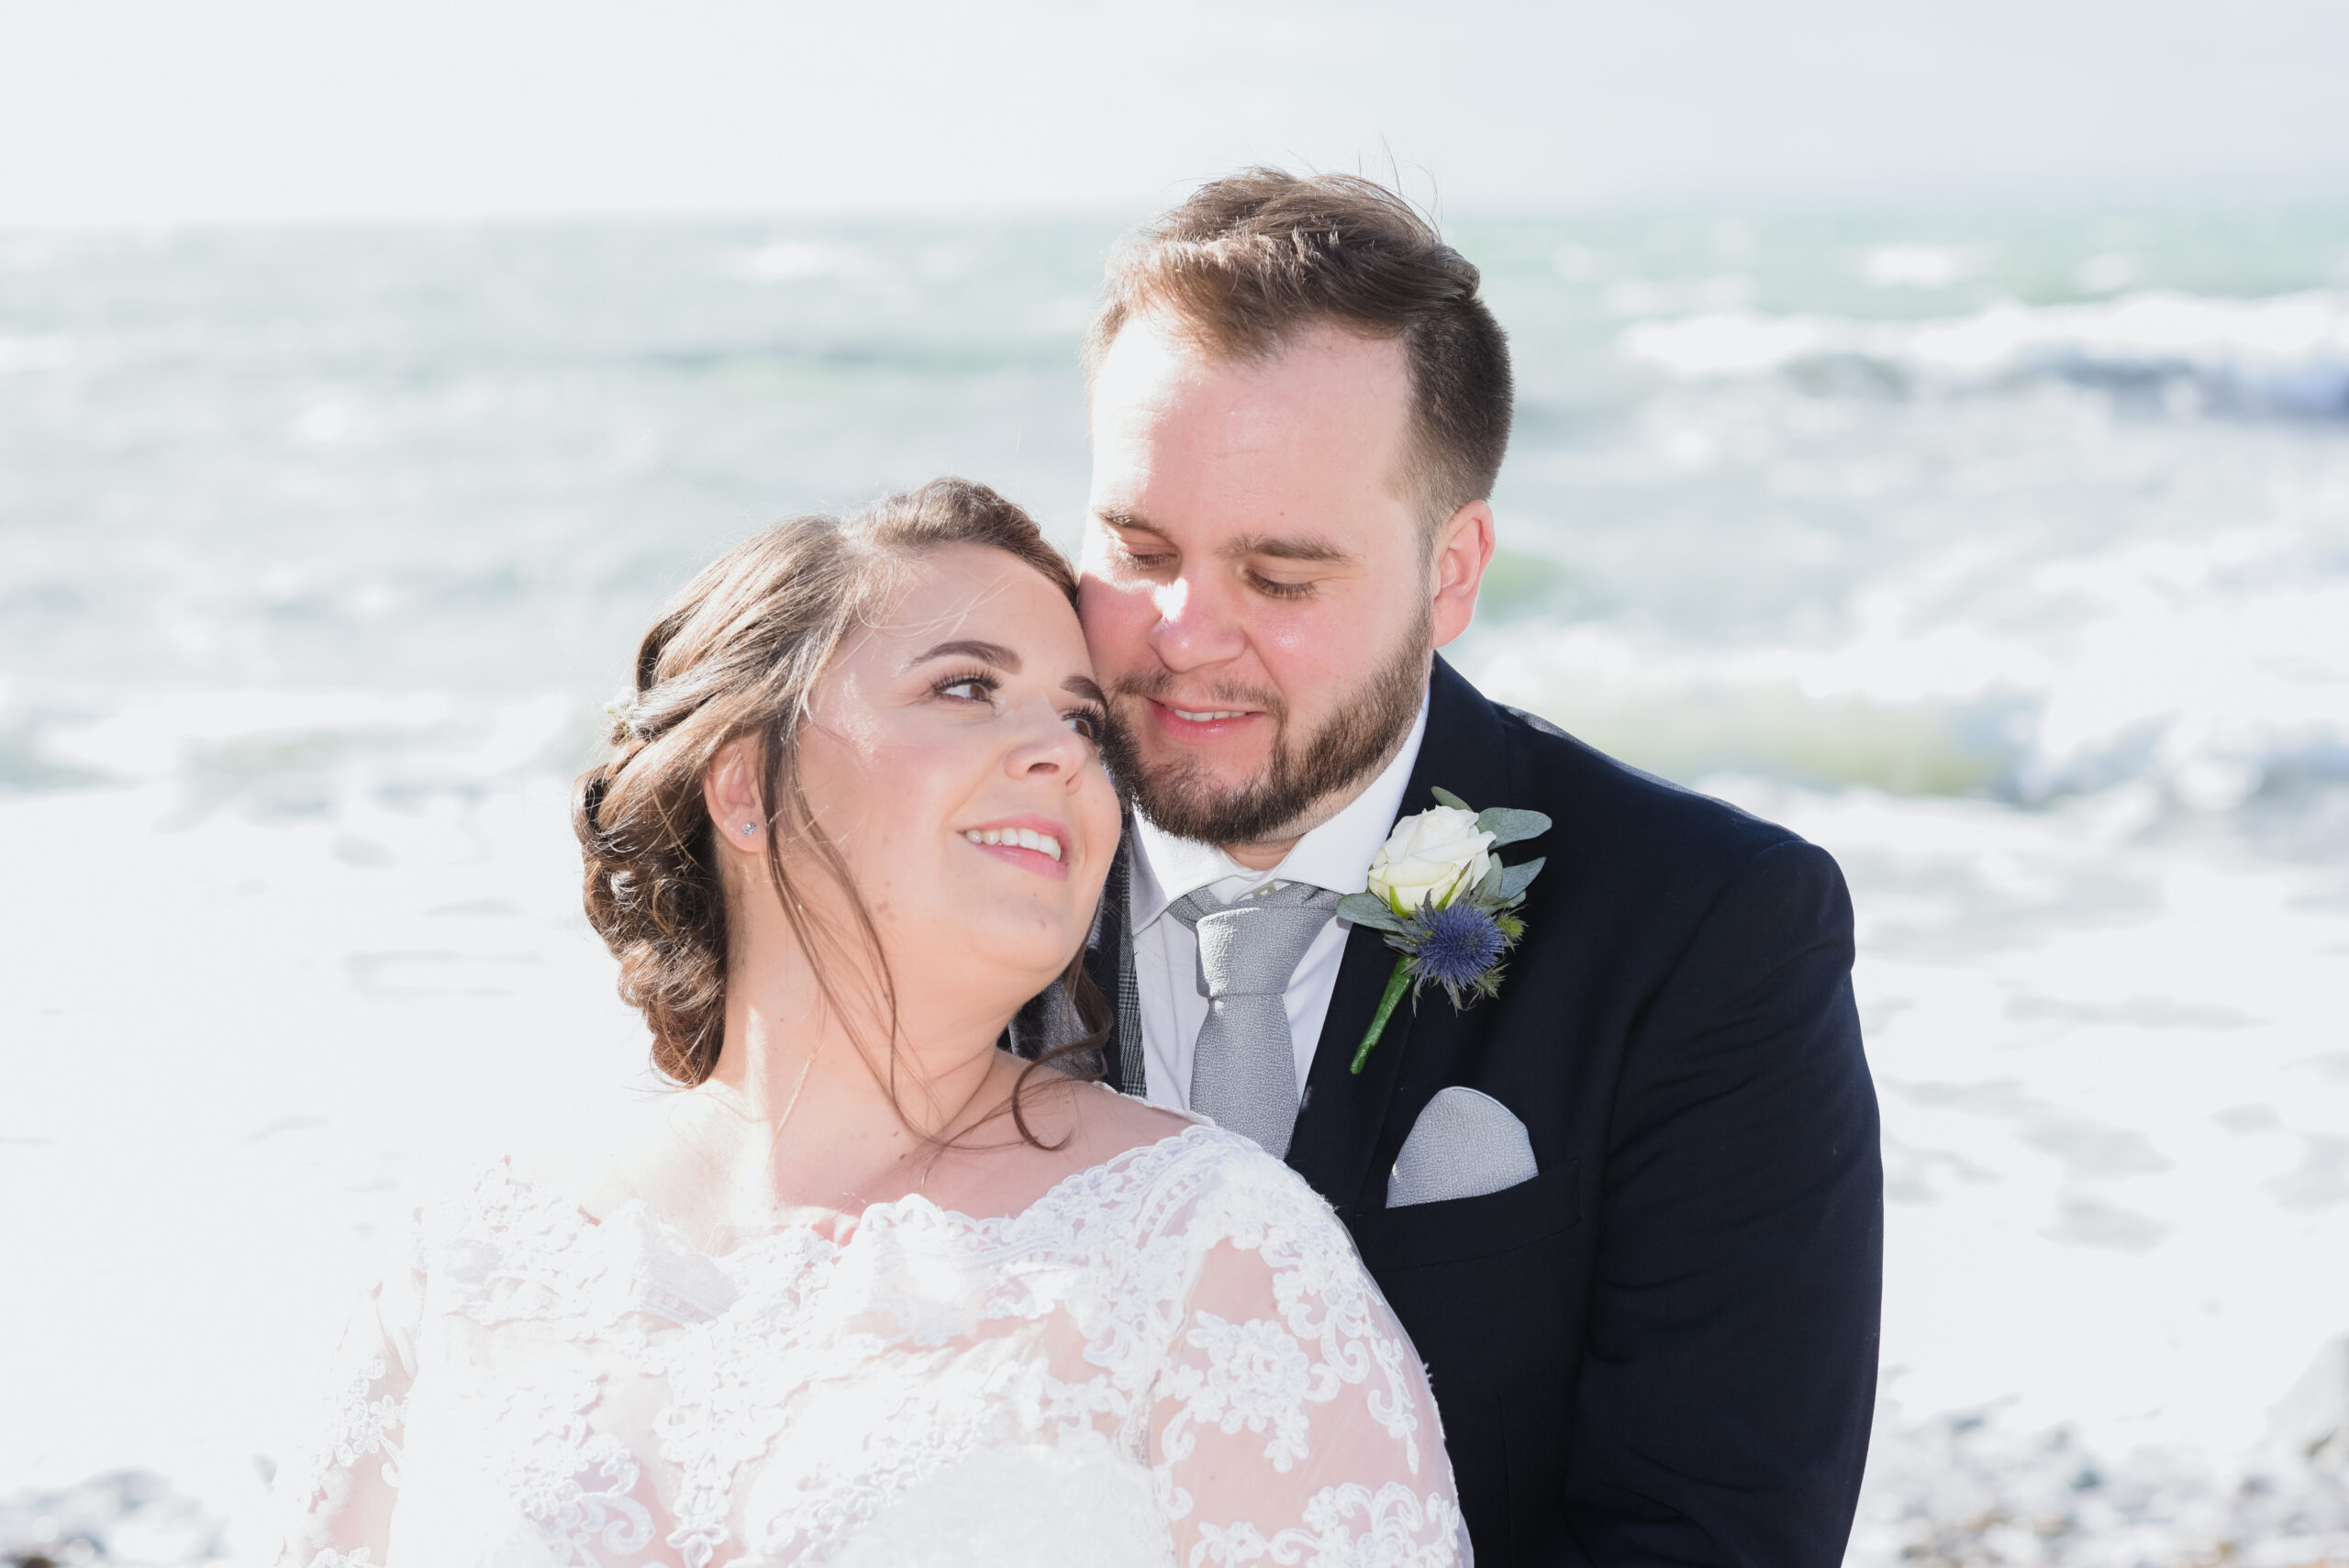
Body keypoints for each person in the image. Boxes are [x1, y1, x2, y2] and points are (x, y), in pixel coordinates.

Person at [272, 480, 1469, 1568]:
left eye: (1085, 722)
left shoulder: (1212, 1252)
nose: (1060, 751)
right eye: (964, 686)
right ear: (746, 783)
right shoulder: (479, 1243)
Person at [1050, 172, 1884, 1566]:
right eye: (1139, 548)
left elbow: (1712, 1533)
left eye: (1281, 575)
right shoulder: (951, 876)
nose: (1184, 634)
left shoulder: (1711, 932)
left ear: (1454, 571)